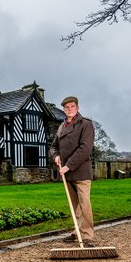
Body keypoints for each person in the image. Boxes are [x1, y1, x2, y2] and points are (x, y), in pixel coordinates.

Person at [49, 96, 96, 246]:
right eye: (66, 107)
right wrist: (55, 156)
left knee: (84, 204)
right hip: (66, 173)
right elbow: (53, 146)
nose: (69, 109)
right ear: (64, 110)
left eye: (72, 107)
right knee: (74, 205)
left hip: (80, 171)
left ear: (77, 108)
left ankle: (87, 235)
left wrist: (68, 165)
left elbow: (85, 148)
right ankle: (77, 233)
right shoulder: (62, 126)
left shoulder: (86, 124)